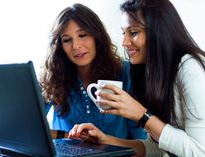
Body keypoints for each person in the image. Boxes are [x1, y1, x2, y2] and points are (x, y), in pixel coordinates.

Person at [68, 0, 205, 156]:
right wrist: (106, 141)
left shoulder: (192, 68)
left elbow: (203, 153)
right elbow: (157, 149)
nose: (124, 42)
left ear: (159, 30)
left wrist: (140, 114)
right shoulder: (154, 74)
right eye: (123, 33)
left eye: (133, 32)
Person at [39, 3, 147, 140]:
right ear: (60, 46)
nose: (76, 46)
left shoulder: (125, 73)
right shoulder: (53, 76)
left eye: (82, 35)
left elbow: (140, 140)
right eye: (67, 40)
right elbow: (29, 127)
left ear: (97, 36)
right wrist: (67, 136)